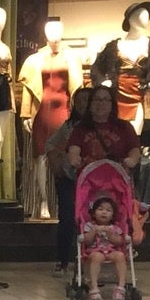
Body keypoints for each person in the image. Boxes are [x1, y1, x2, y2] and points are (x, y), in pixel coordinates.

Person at [46, 85, 92, 272]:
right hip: (69, 178)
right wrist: (58, 163)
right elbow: (50, 144)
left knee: (91, 219)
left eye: (87, 100)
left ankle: (88, 259)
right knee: (67, 217)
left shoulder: (100, 127)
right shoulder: (68, 126)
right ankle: (63, 259)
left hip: (91, 179)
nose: (83, 104)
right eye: (79, 101)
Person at [67, 82, 140, 175]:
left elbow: (134, 149)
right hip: (89, 180)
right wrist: (75, 158)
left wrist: (131, 160)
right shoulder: (80, 128)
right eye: (97, 99)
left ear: (112, 104)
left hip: (117, 179)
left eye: (105, 100)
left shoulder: (124, 127)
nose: (101, 104)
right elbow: (73, 149)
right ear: (90, 104)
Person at [79, 193, 131, 300]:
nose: (104, 212)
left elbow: (119, 241)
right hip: (95, 250)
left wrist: (110, 235)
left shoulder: (115, 227)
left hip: (111, 250)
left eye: (108, 210)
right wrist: (94, 231)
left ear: (113, 215)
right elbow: (86, 241)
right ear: (93, 213)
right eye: (100, 209)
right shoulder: (89, 226)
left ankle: (121, 287)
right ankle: (94, 288)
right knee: (97, 257)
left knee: (120, 256)